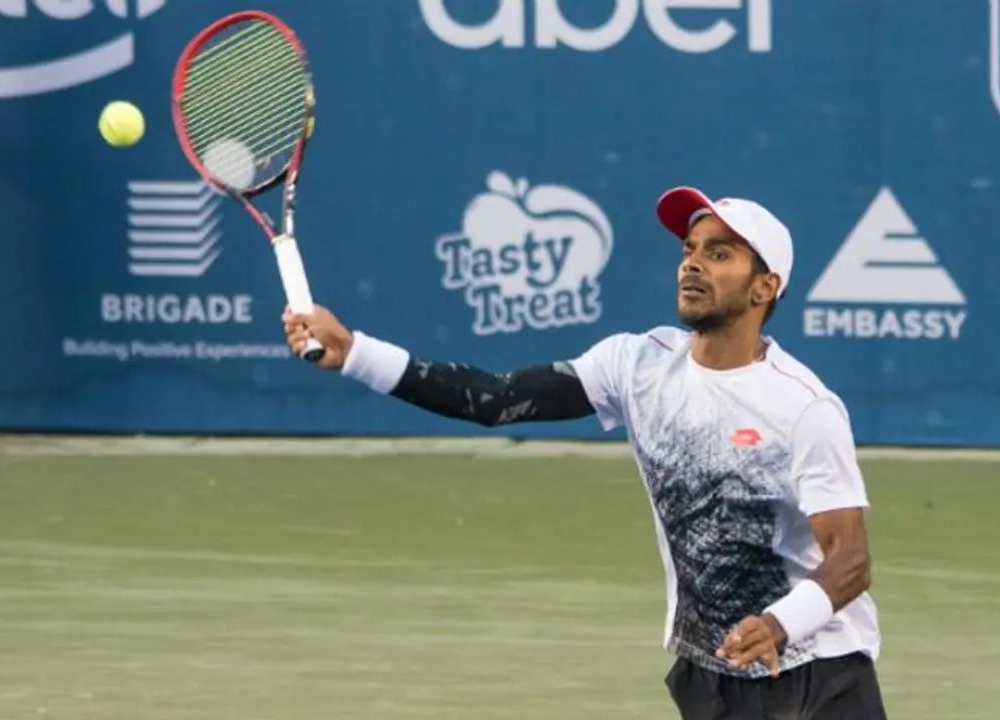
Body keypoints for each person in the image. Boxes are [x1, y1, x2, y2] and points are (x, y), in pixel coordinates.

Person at [283, 186, 888, 720]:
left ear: (765, 287)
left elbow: (851, 560)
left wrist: (780, 624)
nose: (693, 265)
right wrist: (356, 353)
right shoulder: (636, 365)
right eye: (689, 250)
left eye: (720, 254)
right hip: (711, 671)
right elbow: (496, 399)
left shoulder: (804, 407)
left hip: (817, 674)